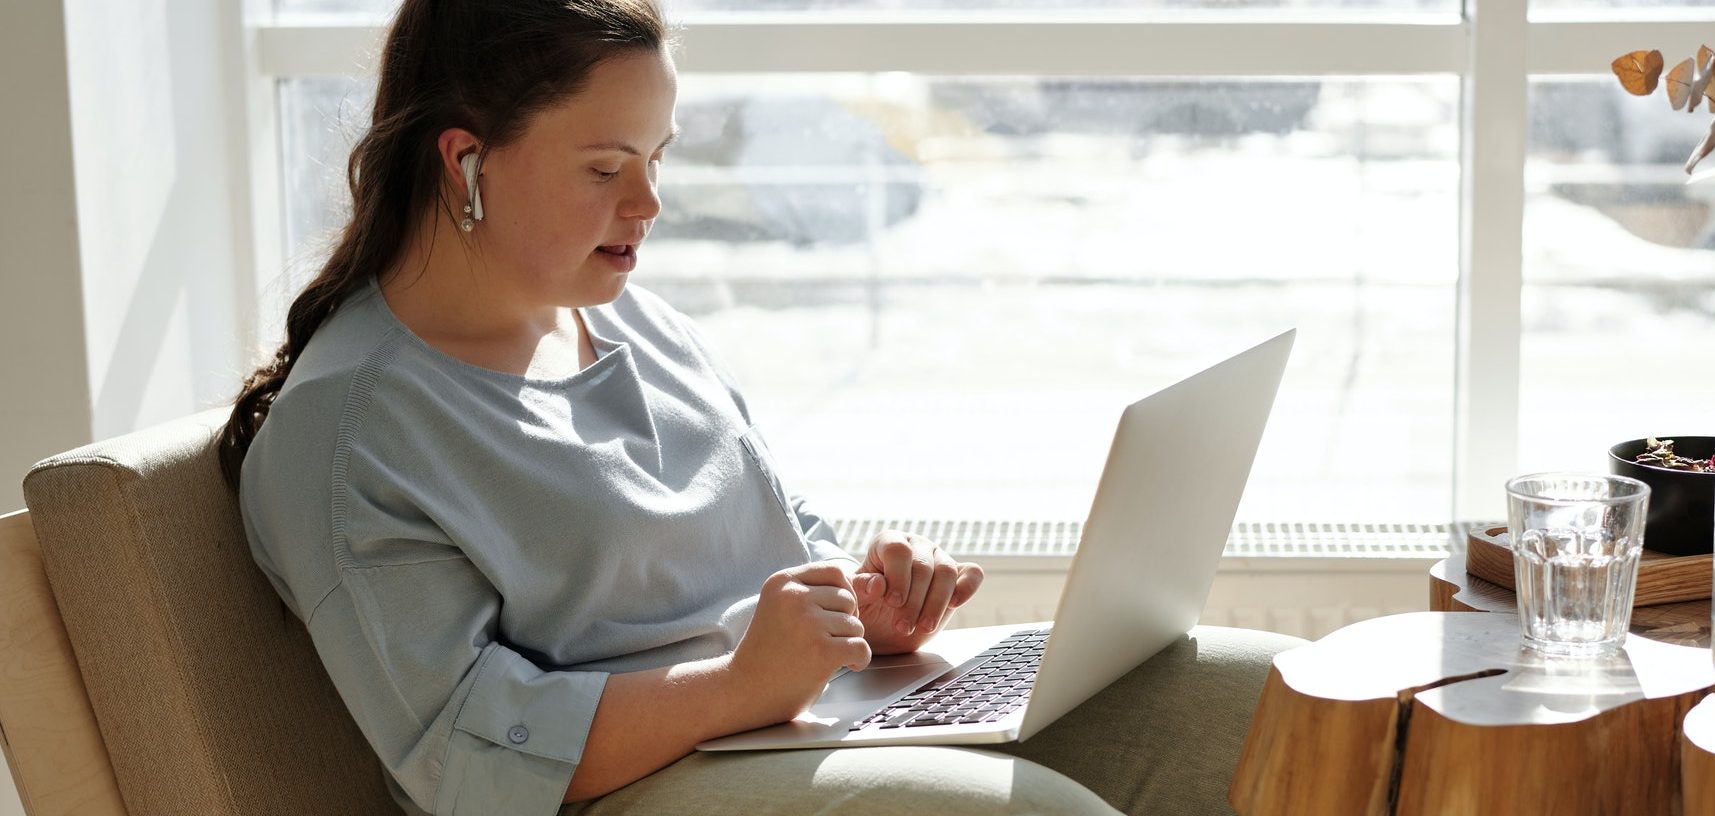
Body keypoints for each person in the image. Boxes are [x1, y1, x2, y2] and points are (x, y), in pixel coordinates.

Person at [220, 2, 1302, 814]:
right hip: (645, 785)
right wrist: (742, 685)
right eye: (605, 167)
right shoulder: (348, 434)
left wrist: (859, 610)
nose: (649, 204)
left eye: (656, 158)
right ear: (464, 161)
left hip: (794, 723)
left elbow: (776, 550)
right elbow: (463, 749)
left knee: (1269, 699)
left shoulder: (628, 315)